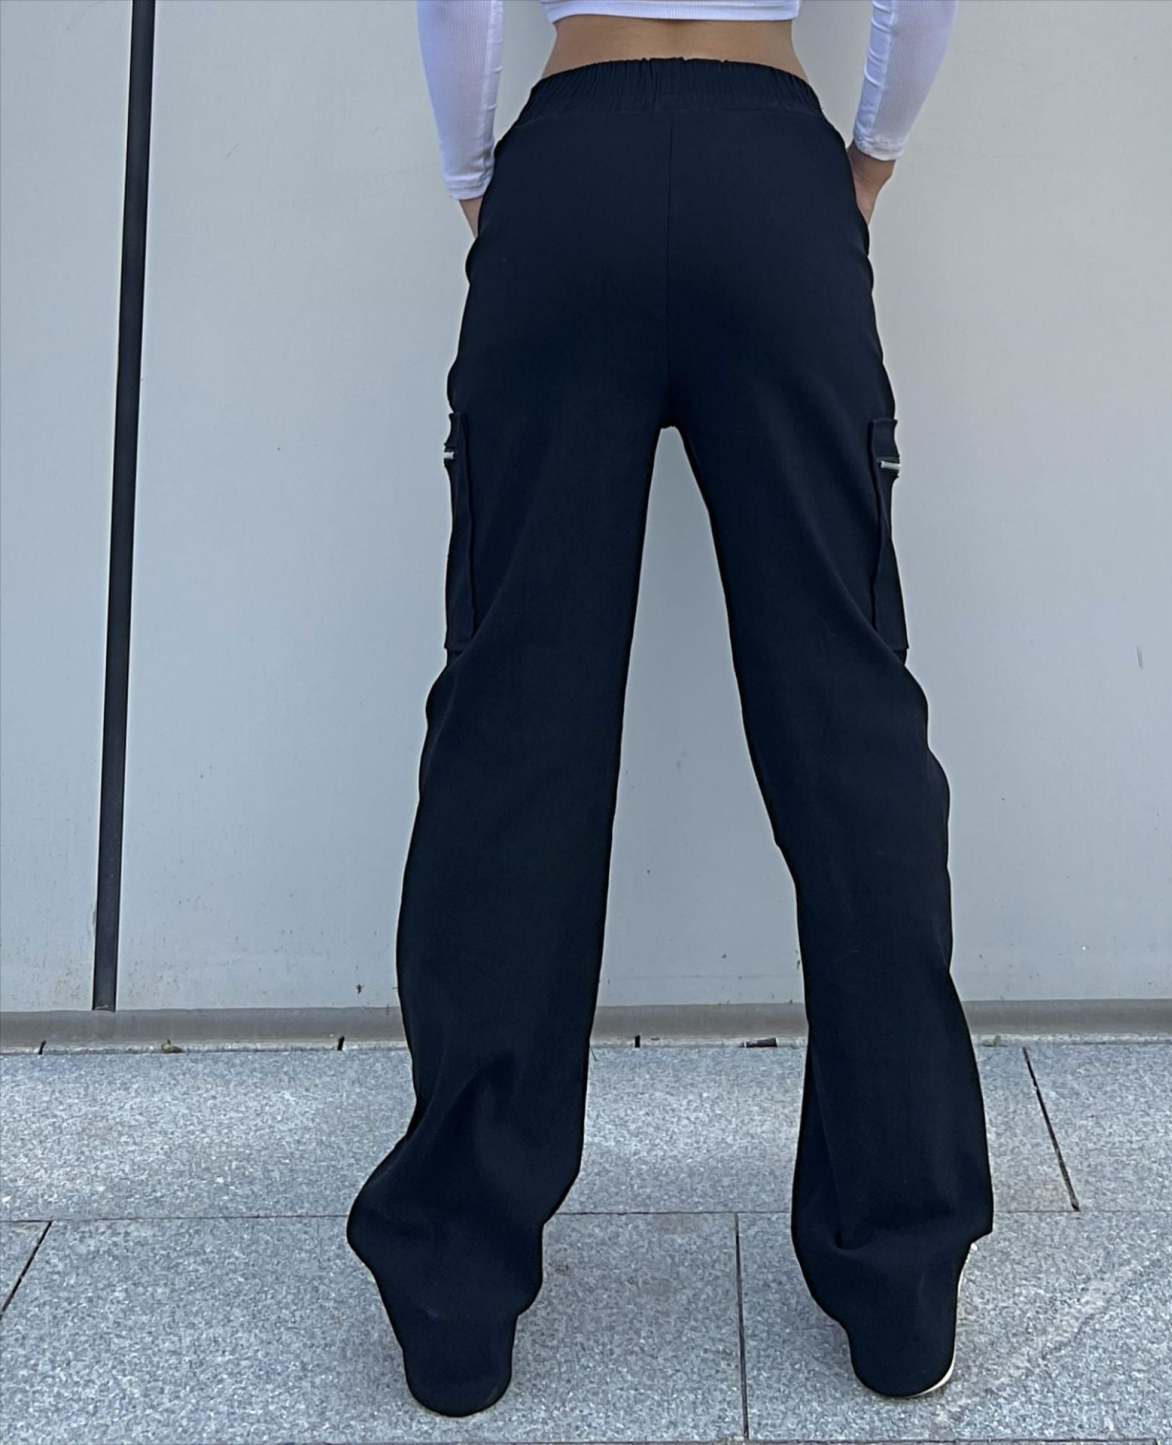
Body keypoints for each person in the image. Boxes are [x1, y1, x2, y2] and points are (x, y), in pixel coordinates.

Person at [347, 0, 994, 1418]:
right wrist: (866, 162)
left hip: (568, 171)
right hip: (773, 176)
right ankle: (901, 1280)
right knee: (847, 717)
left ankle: (457, 1287)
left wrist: (478, 184)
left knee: (513, 720)